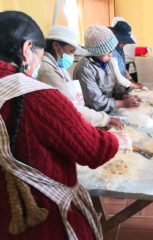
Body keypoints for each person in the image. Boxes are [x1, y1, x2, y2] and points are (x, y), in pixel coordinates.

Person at [0, 11, 130, 239]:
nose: (36, 67)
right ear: (26, 49)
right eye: (38, 58)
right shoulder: (37, 97)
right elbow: (92, 150)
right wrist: (118, 141)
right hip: (39, 213)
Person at [38, 25, 123, 129]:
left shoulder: (58, 67)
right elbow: (71, 106)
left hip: (87, 116)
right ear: (56, 45)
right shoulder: (48, 71)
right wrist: (105, 119)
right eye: (70, 51)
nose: (72, 56)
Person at [73, 24, 141, 113]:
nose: (111, 55)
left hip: (108, 111)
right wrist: (123, 103)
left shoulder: (107, 61)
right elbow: (96, 102)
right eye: (108, 52)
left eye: (112, 51)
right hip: (94, 116)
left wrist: (125, 96)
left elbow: (115, 86)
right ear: (97, 51)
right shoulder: (85, 69)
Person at [112, 17, 139, 82]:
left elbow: (122, 68)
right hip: (117, 81)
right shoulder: (112, 51)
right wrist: (131, 83)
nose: (125, 44)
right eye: (124, 41)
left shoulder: (120, 49)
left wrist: (130, 80)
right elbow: (117, 73)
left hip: (127, 71)